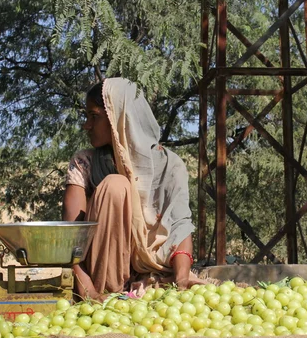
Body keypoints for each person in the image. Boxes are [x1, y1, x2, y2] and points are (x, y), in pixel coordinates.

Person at [62, 78, 203, 301]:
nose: (86, 125)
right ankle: (111, 293)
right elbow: (69, 239)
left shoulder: (169, 166)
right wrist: (88, 290)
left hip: (151, 276)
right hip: (99, 284)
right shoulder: (85, 163)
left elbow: (180, 225)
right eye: (86, 116)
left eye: (94, 116)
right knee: (115, 185)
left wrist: (182, 278)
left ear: (119, 117)